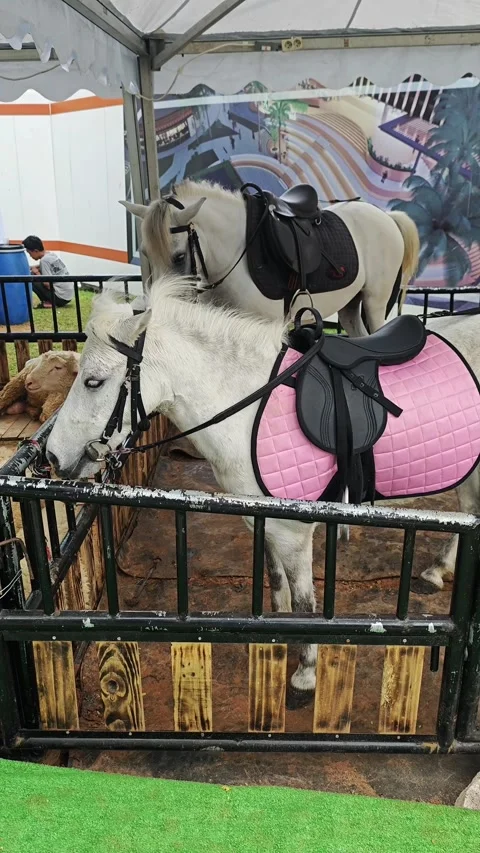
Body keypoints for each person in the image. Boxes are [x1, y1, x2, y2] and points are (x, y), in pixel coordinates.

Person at [22, 236, 73, 308]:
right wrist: (31, 267)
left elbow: (47, 284)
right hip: (68, 295)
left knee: (31, 278)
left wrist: (36, 273)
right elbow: (44, 266)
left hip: (60, 298)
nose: (30, 256)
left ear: (36, 251)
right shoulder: (51, 255)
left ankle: (50, 302)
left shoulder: (44, 261)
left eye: (30, 253)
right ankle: (51, 301)